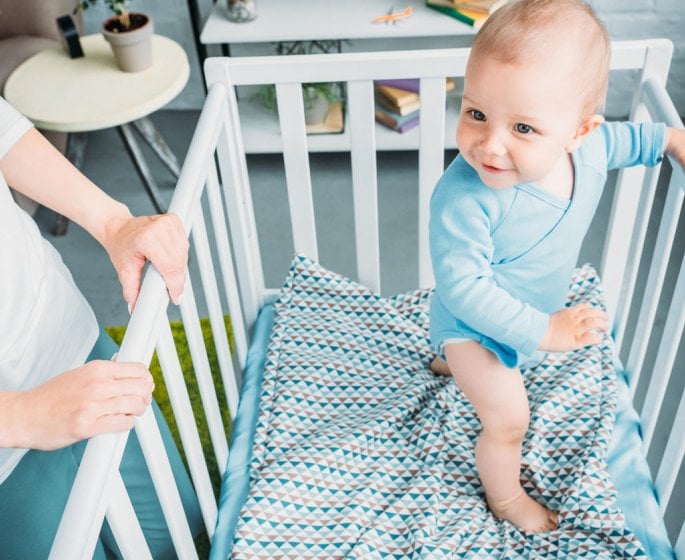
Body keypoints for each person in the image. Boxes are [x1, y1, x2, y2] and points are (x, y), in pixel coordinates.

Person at [428, 0, 685, 534]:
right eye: (476, 114)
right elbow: (463, 288)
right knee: (508, 419)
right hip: (472, 325)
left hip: (525, 309)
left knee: (497, 383)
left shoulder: (588, 151)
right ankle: (505, 499)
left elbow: (631, 139)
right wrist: (545, 330)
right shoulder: (461, 198)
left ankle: (457, 370)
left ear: (577, 132)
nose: (490, 144)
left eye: (523, 127)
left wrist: (671, 139)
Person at [0, 96, 201, 557]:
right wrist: (18, 415)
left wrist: (114, 223)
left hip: (68, 338)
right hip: (6, 453)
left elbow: (4, 132)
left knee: (173, 532)